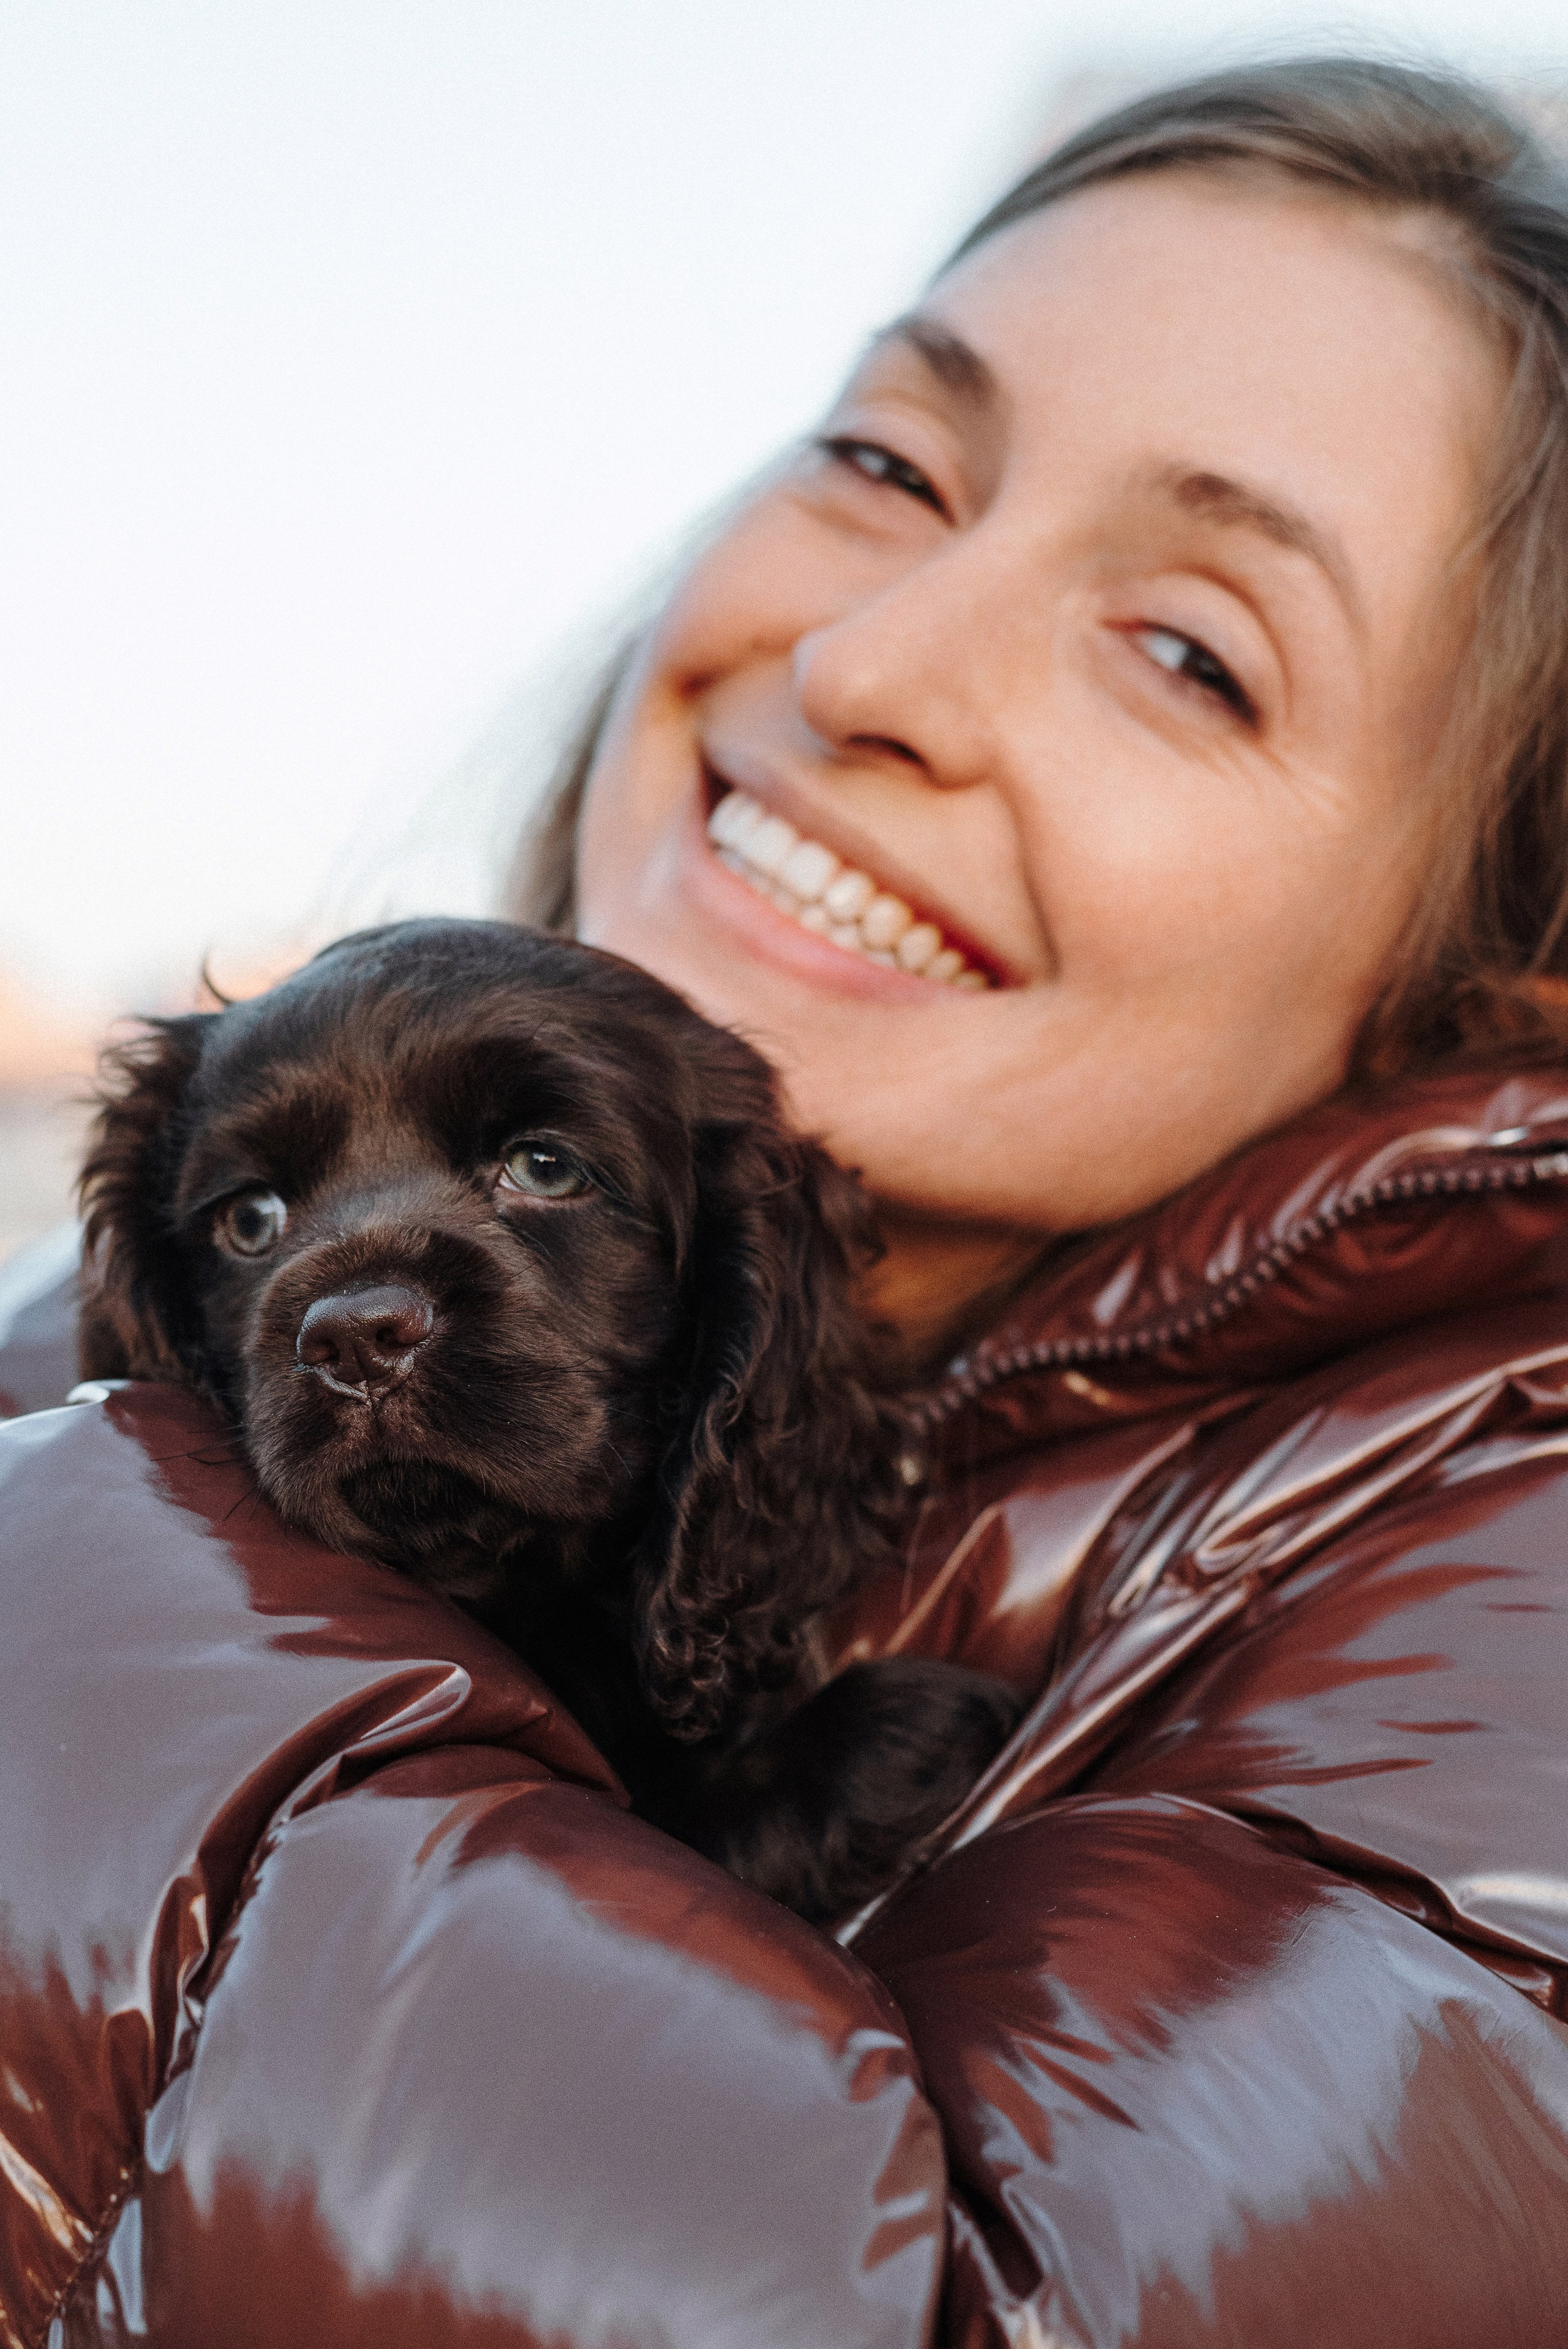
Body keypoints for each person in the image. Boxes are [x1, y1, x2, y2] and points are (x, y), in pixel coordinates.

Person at [4, 53, 1568, 2345]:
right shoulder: (88, 1332)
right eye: (889, 463)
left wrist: (74, 1602)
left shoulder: (1517, 1586)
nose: (867, 666)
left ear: (1486, 979)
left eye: (1191, 651)